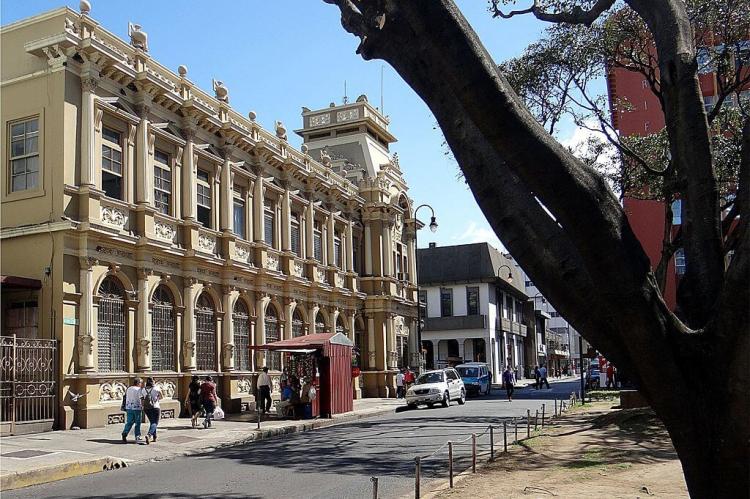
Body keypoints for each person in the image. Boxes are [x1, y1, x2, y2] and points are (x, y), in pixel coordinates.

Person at [121, 378, 145, 443]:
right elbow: (141, 398)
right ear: (138, 383)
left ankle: (125, 433)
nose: (141, 384)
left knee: (129, 422)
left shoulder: (129, 388)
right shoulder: (139, 390)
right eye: (141, 383)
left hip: (128, 407)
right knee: (138, 422)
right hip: (137, 407)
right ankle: (137, 435)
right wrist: (143, 406)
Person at [142, 377, 163, 444]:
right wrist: (156, 398)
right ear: (153, 381)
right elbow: (162, 397)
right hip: (155, 407)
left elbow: (142, 399)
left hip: (146, 408)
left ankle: (155, 437)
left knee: (152, 422)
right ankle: (149, 435)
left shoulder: (143, 390)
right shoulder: (156, 388)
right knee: (155, 423)